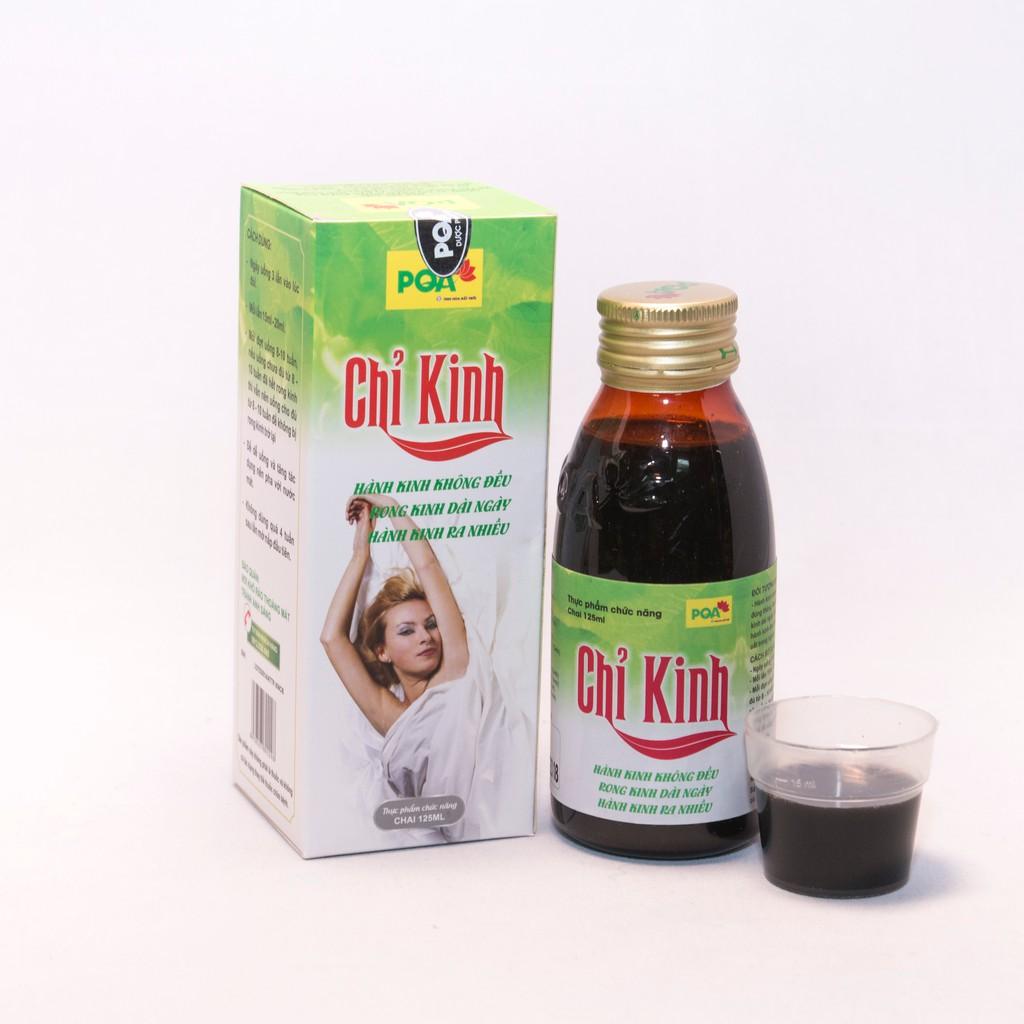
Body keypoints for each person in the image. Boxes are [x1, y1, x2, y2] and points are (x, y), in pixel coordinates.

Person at [320, 493, 470, 737]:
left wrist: (391, 506)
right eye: (407, 631)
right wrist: (360, 554)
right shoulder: (392, 718)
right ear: (382, 651)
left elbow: (427, 566)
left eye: (431, 624)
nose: (426, 637)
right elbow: (331, 638)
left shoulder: (454, 669)